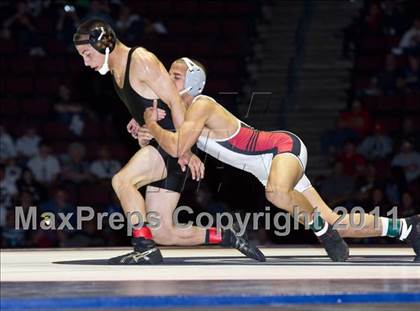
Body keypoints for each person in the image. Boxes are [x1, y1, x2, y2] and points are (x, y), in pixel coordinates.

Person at [143, 58, 420, 261]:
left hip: (281, 148)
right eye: (168, 73)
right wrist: (147, 130)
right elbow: (173, 143)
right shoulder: (180, 115)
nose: (168, 78)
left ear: (192, 84)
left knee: (276, 193)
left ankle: (322, 231)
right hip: (270, 165)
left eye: (175, 75)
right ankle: (407, 228)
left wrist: (152, 126)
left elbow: (178, 145)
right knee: (336, 223)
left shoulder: (202, 104)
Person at [73, 19, 264, 264]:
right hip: (162, 144)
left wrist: (183, 148)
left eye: (87, 54)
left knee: (122, 180)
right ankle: (227, 236)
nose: (86, 62)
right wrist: (138, 123)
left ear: (104, 43)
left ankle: (144, 248)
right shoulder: (116, 71)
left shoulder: (141, 60)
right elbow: (149, 104)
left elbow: (175, 101)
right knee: (162, 231)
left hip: (171, 143)